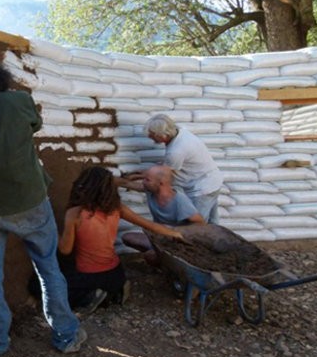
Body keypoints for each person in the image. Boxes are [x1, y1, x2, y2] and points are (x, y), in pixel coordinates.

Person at [0, 57, 85, 356]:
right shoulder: (20, 101)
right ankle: (66, 336)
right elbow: (35, 125)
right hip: (30, 203)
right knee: (48, 269)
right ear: (2, 79)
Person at [58, 166, 183, 315]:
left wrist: (54, 235)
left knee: (45, 286)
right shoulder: (116, 208)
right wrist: (176, 234)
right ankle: (114, 292)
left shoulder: (74, 213)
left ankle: (90, 296)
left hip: (88, 276)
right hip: (115, 274)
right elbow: (149, 225)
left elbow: (65, 250)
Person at [115, 165, 204, 263]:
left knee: (150, 256)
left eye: (147, 180)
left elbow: (201, 224)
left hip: (176, 241)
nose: (143, 182)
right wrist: (104, 179)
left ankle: (168, 260)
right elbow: (127, 183)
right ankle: (160, 255)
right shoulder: (151, 191)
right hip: (159, 237)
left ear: (160, 183)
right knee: (128, 238)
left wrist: (174, 231)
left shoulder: (180, 202)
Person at [144, 114, 223, 224]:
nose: (149, 136)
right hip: (212, 180)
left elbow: (165, 176)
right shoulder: (180, 132)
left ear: (162, 135)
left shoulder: (176, 151)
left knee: (197, 225)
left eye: (152, 134)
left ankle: (199, 242)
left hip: (202, 188)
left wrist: (139, 178)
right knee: (213, 223)